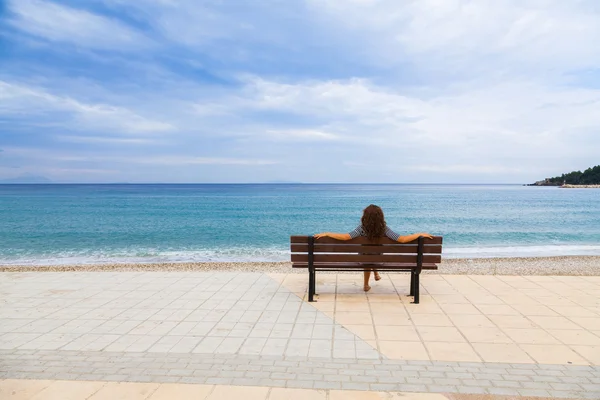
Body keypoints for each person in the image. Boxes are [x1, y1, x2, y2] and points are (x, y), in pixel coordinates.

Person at [315, 204, 433, 292]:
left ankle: (366, 284)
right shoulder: (384, 229)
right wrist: (419, 234)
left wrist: (327, 233)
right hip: (379, 259)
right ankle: (375, 274)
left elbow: (346, 237)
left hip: (362, 259)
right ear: (380, 217)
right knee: (374, 253)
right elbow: (402, 239)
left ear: (365, 217)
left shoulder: (361, 229)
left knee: (367, 254)